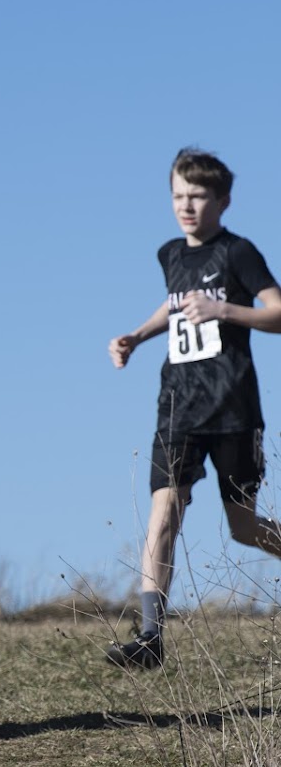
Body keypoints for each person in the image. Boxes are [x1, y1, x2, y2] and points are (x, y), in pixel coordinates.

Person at [107, 147, 281, 667]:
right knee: (164, 510)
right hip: (178, 406)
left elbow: (278, 313)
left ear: (223, 201)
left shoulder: (238, 252)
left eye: (198, 196)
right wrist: (137, 336)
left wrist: (223, 308)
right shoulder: (170, 254)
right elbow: (176, 304)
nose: (186, 205)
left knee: (243, 528)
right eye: (178, 195)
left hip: (233, 408)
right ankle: (149, 638)